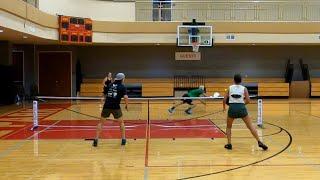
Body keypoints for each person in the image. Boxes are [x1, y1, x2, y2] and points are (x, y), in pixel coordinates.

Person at [223, 74, 268, 150]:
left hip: (232, 108)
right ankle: (259, 141)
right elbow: (248, 100)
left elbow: (224, 100)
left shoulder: (229, 88)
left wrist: (224, 108)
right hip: (241, 107)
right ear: (241, 80)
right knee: (250, 126)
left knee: (228, 127)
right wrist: (242, 104)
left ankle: (229, 144)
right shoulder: (244, 88)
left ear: (233, 80)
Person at [93, 73, 129, 147]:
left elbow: (105, 94)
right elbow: (125, 97)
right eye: (124, 78)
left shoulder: (110, 84)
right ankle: (123, 139)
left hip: (106, 106)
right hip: (116, 107)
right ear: (122, 79)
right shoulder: (122, 86)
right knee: (121, 123)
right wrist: (126, 105)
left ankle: (96, 139)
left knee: (101, 123)